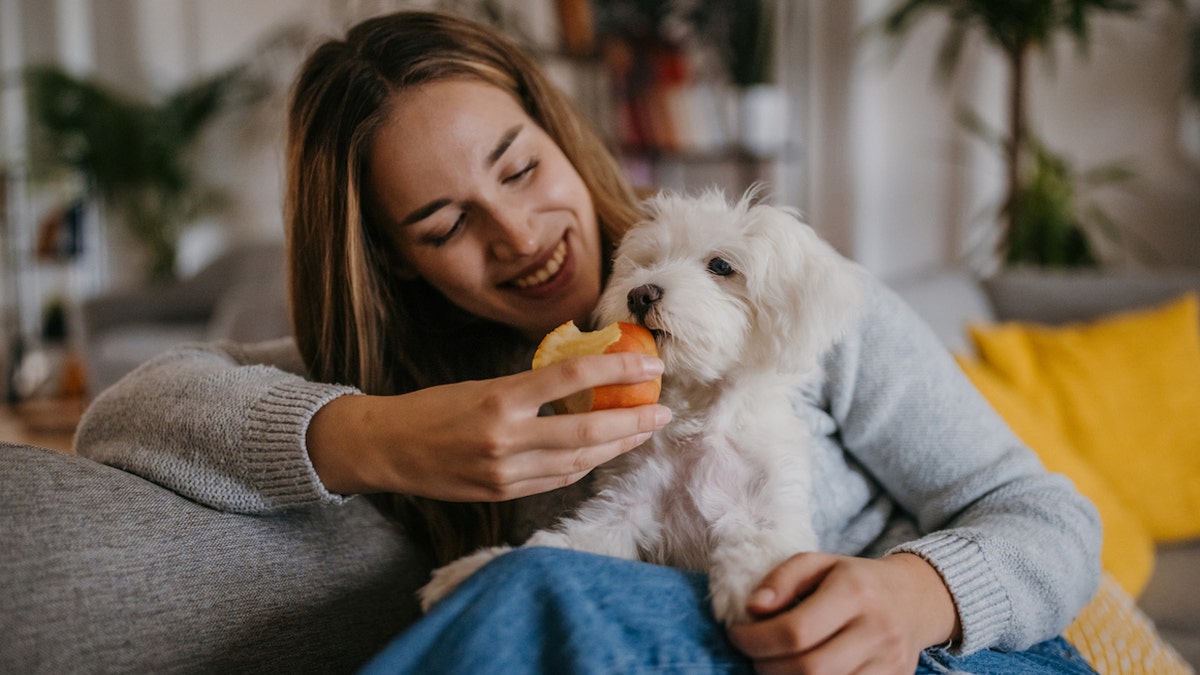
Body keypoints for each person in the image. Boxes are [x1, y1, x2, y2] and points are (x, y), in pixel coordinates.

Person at [74, 10, 1101, 675]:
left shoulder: (781, 293)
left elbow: (1048, 518)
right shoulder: (415, 385)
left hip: (944, 658)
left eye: (519, 170)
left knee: (537, 593)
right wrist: (375, 434)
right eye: (442, 225)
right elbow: (123, 410)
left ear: (561, 133)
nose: (516, 237)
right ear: (394, 263)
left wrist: (915, 595)